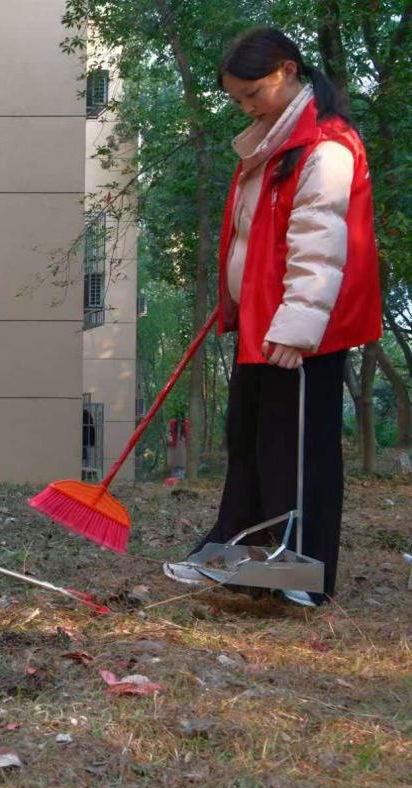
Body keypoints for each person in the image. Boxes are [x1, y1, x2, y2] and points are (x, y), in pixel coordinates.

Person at [162, 26, 382, 606]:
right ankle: (238, 557)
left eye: (252, 93)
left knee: (297, 451)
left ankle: (302, 576)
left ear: (286, 71)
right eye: (237, 98)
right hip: (263, 323)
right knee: (249, 442)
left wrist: (296, 329)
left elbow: (319, 246)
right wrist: (236, 297)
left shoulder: (325, 147)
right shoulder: (270, 145)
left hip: (301, 334)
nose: (246, 106)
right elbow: (251, 236)